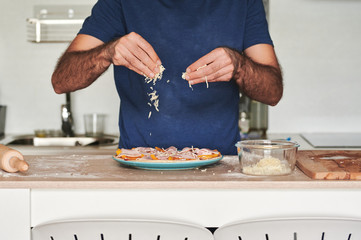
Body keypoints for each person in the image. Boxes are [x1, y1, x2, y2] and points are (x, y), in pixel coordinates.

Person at [51, 0, 283, 155]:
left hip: (221, 167)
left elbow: (273, 92)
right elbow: (62, 81)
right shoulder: (120, 3)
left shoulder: (243, 3)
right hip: (140, 166)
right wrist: (108, 52)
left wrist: (240, 65)